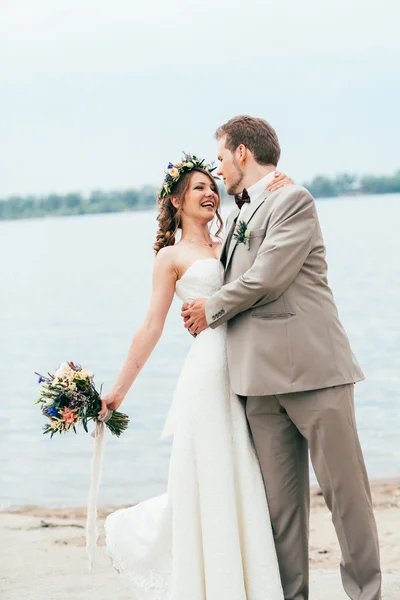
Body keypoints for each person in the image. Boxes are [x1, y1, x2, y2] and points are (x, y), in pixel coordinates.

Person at [182, 115, 382, 600]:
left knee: (346, 498)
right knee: (279, 514)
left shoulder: (294, 200)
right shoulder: (240, 215)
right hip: (257, 386)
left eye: (223, 158)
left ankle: (367, 593)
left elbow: (268, 278)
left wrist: (210, 308)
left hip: (314, 374)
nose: (221, 169)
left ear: (243, 153)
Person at [100, 154, 293, 599]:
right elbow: (152, 325)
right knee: (213, 472)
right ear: (176, 201)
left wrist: (277, 185)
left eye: (212, 185)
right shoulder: (172, 256)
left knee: (247, 475)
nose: (210, 193)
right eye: (197, 188)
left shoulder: (233, 240)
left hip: (251, 366)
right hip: (209, 373)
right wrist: (119, 390)